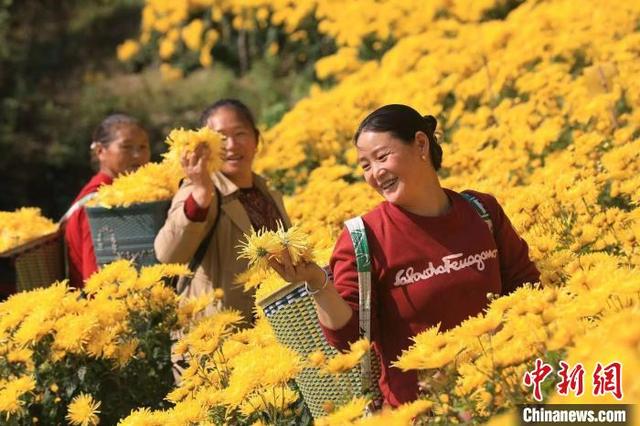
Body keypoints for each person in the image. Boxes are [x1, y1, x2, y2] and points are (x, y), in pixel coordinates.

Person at [268, 104, 540, 407]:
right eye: (365, 165)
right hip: (428, 410)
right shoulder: (363, 239)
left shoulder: (482, 211)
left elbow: (526, 286)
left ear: (421, 144)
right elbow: (349, 341)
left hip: (507, 389)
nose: (376, 173)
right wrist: (317, 281)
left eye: (382, 157)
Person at [154, 99, 290, 323]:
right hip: (215, 339)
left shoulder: (268, 191)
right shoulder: (199, 188)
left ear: (256, 139)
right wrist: (201, 192)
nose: (231, 145)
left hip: (268, 332)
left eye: (240, 133)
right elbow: (168, 254)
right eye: (221, 137)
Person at [64, 114, 151, 288]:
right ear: (100, 152)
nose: (137, 155)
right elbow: (94, 280)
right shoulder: (99, 201)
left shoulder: (122, 193)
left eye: (143, 147)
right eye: (126, 147)